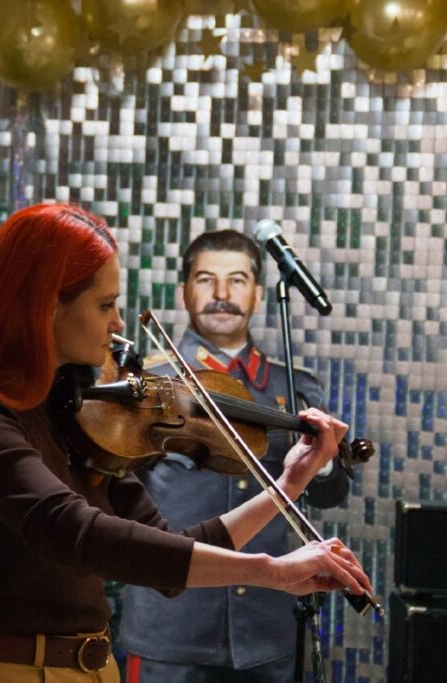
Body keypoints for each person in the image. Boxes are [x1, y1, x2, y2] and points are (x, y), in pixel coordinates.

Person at [0, 205, 371, 683]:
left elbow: (171, 553)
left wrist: (289, 483)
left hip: (92, 671)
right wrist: (272, 571)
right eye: (105, 305)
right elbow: (77, 533)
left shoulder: (70, 415)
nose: (117, 324)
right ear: (45, 305)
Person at [119, 229, 351, 683]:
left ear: (259, 295)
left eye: (237, 281)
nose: (222, 294)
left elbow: (330, 496)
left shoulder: (294, 387)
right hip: (171, 628)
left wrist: (323, 459)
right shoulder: (147, 384)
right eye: (206, 280)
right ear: (184, 292)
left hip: (268, 631)